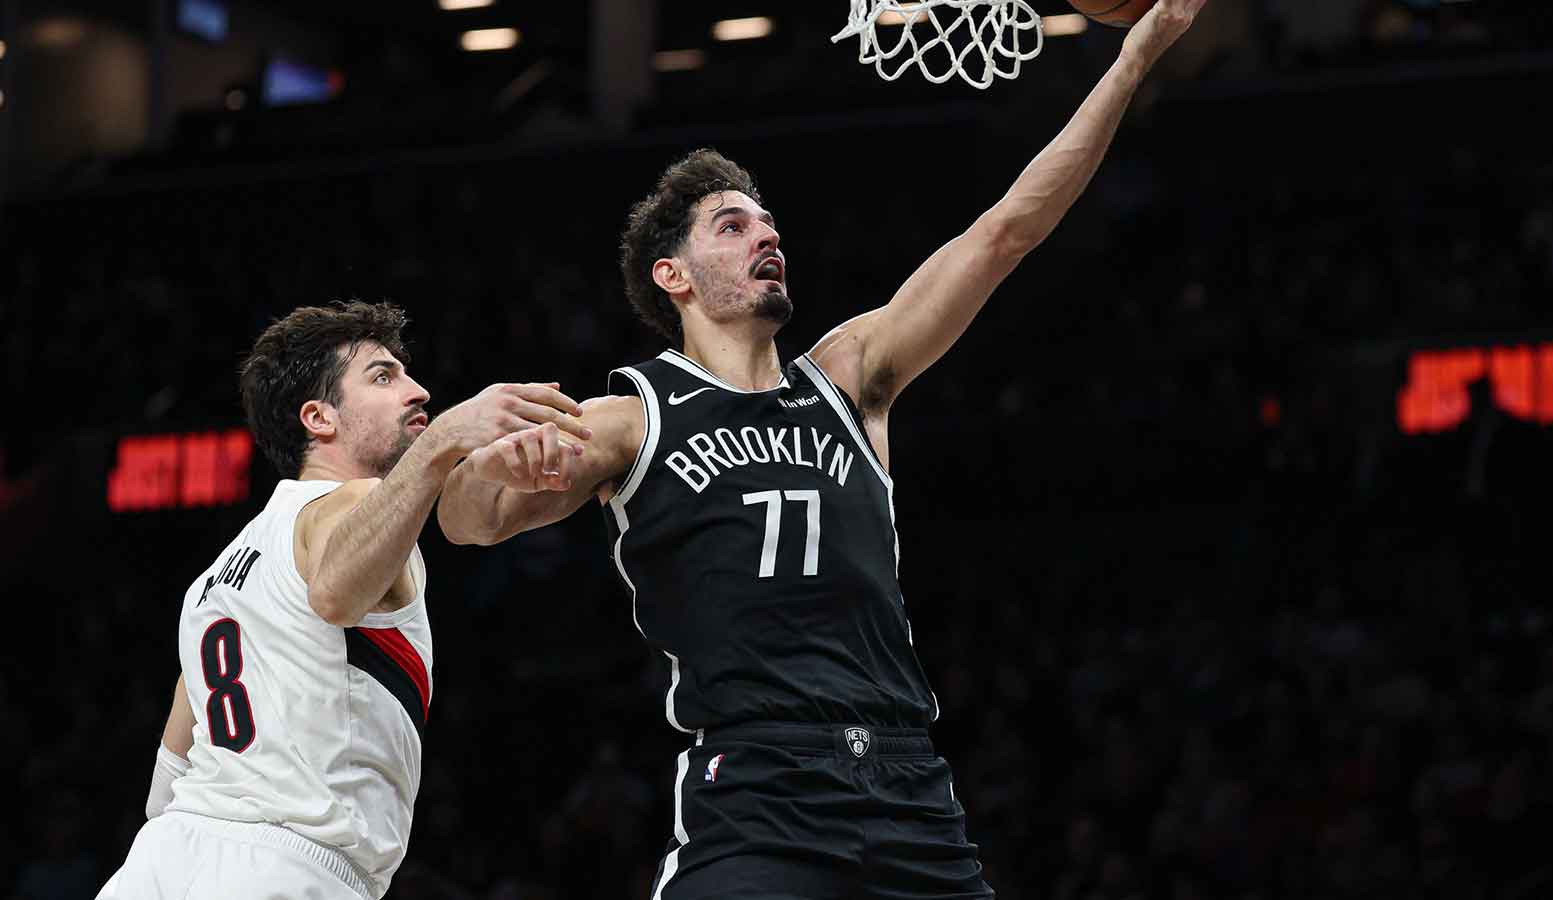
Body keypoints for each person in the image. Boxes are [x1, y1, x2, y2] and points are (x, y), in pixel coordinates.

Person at [437, 3, 1209, 896]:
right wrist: (489, 473)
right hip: (761, 792)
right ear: (672, 276)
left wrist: (1138, 55)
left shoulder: (850, 376)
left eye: (767, 223)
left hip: (905, 781)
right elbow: (467, 522)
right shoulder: (635, 415)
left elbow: (1006, 232)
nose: (767, 235)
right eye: (732, 225)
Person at [97, 301, 586, 899]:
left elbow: (168, 775)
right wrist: (445, 440)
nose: (418, 391)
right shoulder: (345, 505)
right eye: (384, 377)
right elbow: (334, 591)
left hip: (159, 861)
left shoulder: (215, 578)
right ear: (318, 418)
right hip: (284, 868)